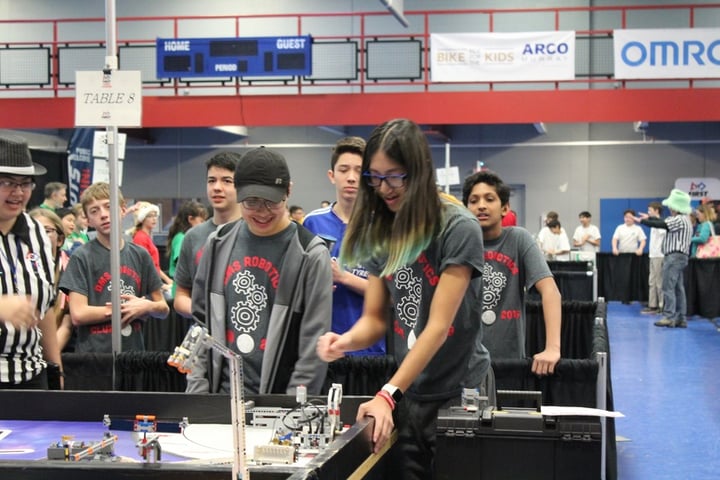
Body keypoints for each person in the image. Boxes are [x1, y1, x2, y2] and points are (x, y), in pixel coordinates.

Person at [316, 119, 488, 479]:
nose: (384, 188)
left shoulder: (458, 227)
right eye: (374, 178)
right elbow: (376, 318)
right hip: (410, 393)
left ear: (420, 171)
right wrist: (345, 340)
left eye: (394, 176)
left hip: (460, 391)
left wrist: (387, 393)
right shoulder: (383, 229)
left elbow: (439, 327)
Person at [186, 147, 332, 395]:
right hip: (219, 403)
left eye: (272, 202)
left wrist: (290, 413)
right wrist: (198, 396)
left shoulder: (311, 254)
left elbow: (313, 345)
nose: (262, 212)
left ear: (288, 191)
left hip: (279, 405)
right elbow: (201, 324)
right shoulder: (218, 244)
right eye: (252, 202)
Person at [462, 170, 561, 370]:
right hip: (462, 363)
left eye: (489, 199)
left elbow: (550, 290)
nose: (481, 205)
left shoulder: (519, 239)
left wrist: (552, 348)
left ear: (505, 208)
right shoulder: (458, 243)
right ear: (465, 208)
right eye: (473, 201)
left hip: (509, 362)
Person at [58, 182, 169, 352]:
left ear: (123, 210)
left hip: (133, 355)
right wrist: (123, 309)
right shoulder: (82, 257)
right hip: (95, 358)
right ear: (88, 220)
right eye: (95, 211)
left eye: (108, 207)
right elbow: (78, 314)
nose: (103, 215)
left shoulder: (140, 255)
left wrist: (147, 306)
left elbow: (162, 308)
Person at [303, 136, 385, 355]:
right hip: (326, 349)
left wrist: (343, 277)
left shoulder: (383, 227)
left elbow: (391, 294)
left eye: (358, 171)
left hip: (371, 352)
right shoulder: (312, 223)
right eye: (344, 170)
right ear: (332, 176)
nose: (351, 178)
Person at [0, 134, 62, 389]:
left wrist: (55, 369)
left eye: (25, 183)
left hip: (30, 375)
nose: (18, 192)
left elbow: (44, 310)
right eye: (7, 182)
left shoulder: (37, 233)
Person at [174, 152, 243, 318]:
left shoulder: (255, 232)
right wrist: (208, 314)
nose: (217, 187)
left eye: (227, 181)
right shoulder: (193, 236)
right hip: (205, 336)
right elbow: (181, 296)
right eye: (212, 181)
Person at [635, 189, 693, 328]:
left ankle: (669, 316)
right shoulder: (685, 220)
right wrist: (648, 219)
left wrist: (645, 221)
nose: (669, 208)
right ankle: (680, 317)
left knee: (668, 287)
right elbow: (662, 221)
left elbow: (662, 224)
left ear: (675, 206)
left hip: (674, 256)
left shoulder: (679, 219)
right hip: (680, 257)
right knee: (678, 288)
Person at [29, 208, 73, 352]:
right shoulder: (15, 271)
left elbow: (68, 325)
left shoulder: (71, 269)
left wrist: (47, 355)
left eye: (47, 230)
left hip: (61, 351)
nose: (39, 234)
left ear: (60, 239)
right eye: (34, 229)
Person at [128, 201, 174, 296]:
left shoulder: (146, 237)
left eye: (155, 215)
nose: (154, 219)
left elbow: (155, 266)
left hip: (154, 283)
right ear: (143, 219)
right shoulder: (140, 238)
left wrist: (167, 280)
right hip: (148, 287)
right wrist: (161, 285)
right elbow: (144, 267)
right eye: (150, 216)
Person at [166, 200, 208, 299]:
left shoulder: (191, 238)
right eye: (202, 221)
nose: (205, 224)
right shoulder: (181, 238)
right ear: (190, 219)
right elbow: (182, 263)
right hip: (182, 294)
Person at [641, 202, 666, 315]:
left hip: (659, 255)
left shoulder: (661, 224)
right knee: (652, 281)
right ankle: (652, 305)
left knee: (659, 282)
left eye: (650, 210)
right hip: (653, 255)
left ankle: (661, 306)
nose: (648, 212)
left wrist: (649, 220)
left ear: (656, 211)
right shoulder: (654, 224)